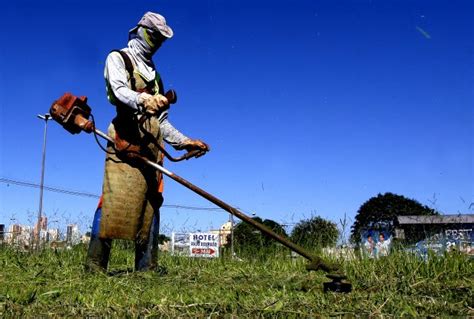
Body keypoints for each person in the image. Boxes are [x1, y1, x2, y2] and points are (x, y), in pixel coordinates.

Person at [85, 12, 209, 272]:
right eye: (154, 35)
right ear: (141, 31)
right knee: (112, 200)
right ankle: (95, 266)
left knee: (152, 201)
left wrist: (184, 142)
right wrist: (143, 100)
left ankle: (146, 268)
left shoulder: (155, 78)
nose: (157, 42)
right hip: (124, 140)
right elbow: (118, 91)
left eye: (161, 39)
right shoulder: (118, 58)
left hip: (151, 146)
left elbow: (162, 123)